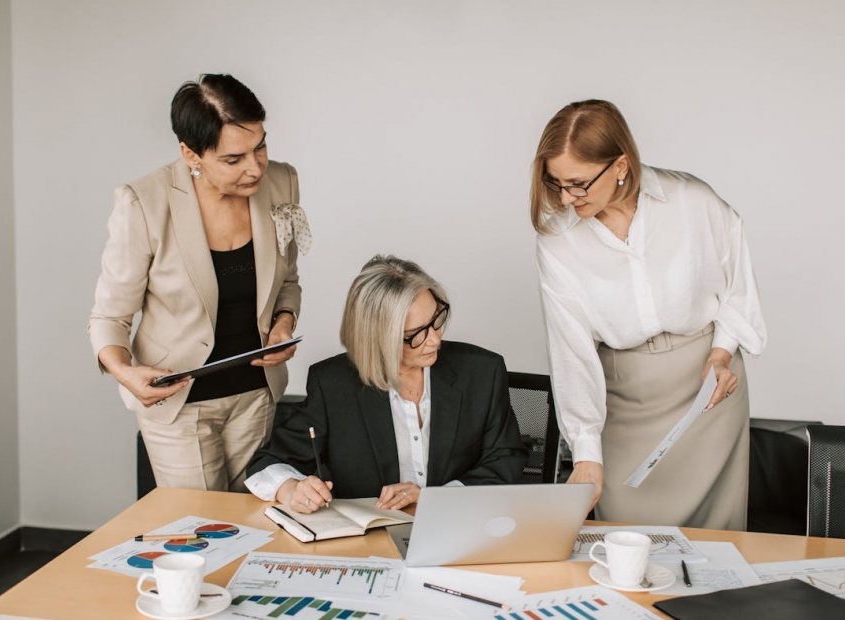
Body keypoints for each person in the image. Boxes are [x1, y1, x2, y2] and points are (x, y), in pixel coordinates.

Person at [530, 100, 766, 530]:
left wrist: (721, 355)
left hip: (707, 391)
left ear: (620, 165)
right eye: (556, 183)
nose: (566, 198)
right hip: (624, 400)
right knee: (624, 541)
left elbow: (737, 286)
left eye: (578, 183)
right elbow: (572, 352)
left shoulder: (692, 201)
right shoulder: (558, 241)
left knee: (716, 545)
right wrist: (586, 453)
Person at [88, 74, 310, 492]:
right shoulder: (143, 202)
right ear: (191, 153)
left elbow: (288, 280)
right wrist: (125, 372)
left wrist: (283, 323)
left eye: (260, 146)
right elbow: (109, 316)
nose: (255, 166)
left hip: (256, 396)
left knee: (258, 527)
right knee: (200, 535)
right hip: (179, 402)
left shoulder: (282, 181)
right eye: (233, 159)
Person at [246, 255, 527, 513]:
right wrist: (291, 488)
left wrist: (434, 497)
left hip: (455, 525)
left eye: (437, 319)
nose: (435, 340)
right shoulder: (334, 385)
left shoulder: (481, 372)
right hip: (368, 543)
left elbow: (507, 460)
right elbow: (267, 463)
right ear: (377, 338)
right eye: (416, 334)